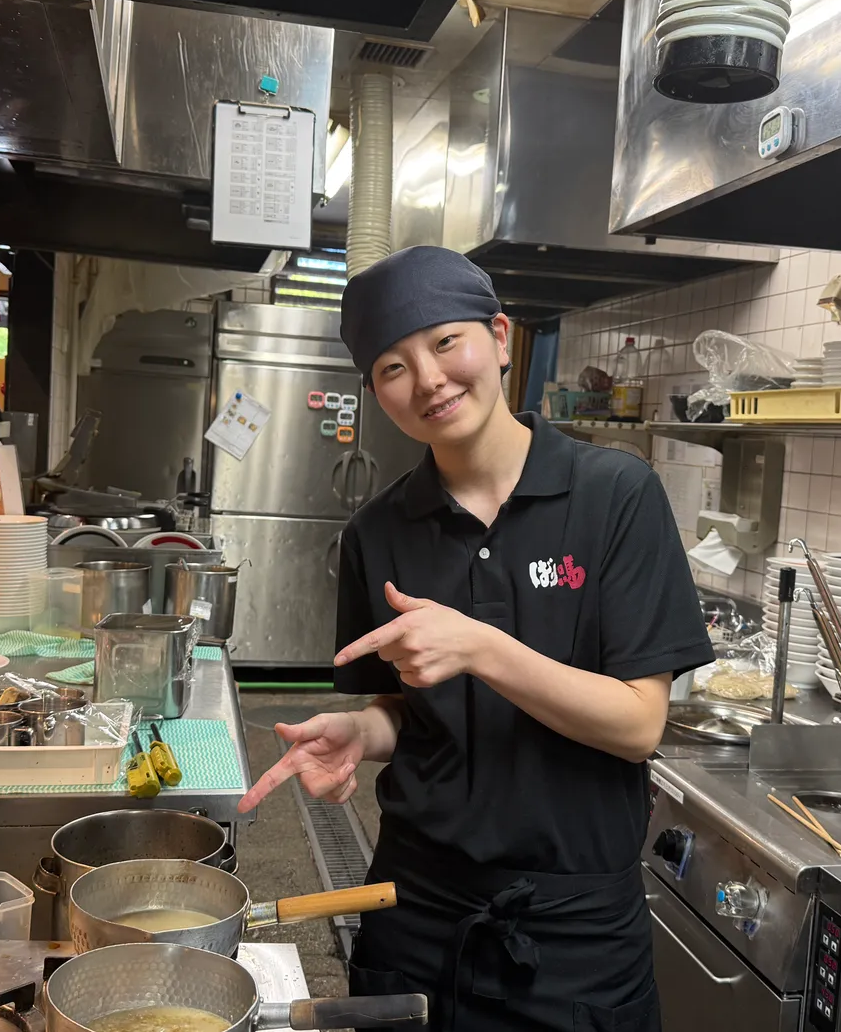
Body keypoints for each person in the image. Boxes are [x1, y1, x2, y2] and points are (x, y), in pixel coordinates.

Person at [238, 245, 715, 1031]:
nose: (427, 379)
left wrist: (481, 646)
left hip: (576, 936)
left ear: (499, 337)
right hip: (416, 912)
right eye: (393, 366)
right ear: (376, 393)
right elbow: (409, 708)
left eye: (444, 342)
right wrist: (363, 728)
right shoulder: (378, 531)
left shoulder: (614, 494)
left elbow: (638, 725)